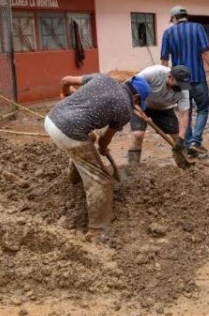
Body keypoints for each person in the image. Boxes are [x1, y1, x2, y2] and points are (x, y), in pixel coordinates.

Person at [45, 74, 150, 239]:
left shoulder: (103, 78)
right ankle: (97, 231)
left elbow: (64, 80)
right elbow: (104, 140)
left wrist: (66, 95)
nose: (135, 105)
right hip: (69, 132)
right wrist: (103, 148)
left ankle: (74, 178)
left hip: (51, 119)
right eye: (137, 102)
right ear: (136, 97)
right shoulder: (125, 110)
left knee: (89, 139)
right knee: (102, 181)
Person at [161, 5, 209, 157]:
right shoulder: (198, 28)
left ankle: (187, 145)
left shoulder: (168, 32)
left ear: (174, 18)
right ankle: (196, 141)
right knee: (203, 108)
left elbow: (164, 60)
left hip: (180, 81)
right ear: (186, 15)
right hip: (198, 77)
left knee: (184, 112)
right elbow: (206, 52)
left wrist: (166, 81)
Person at [128, 64, 193, 169]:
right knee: (137, 135)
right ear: (170, 77)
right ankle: (133, 169)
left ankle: (184, 166)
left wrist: (181, 138)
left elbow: (184, 115)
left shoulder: (184, 90)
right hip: (142, 104)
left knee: (177, 138)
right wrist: (139, 111)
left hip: (164, 108)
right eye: (179, 84)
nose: (181, 87)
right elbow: (130, 88)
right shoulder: (154, 73)